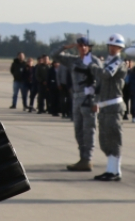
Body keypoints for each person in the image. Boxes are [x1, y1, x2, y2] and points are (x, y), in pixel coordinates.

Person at [54, 37, 98, 171]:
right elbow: (54, 55)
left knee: (89, 130)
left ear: (89, 47)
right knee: (78, 131)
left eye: (85, 46)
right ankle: (82, 158)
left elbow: (101, 82)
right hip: (76, 99)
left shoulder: (94, 61)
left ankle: (88, 159)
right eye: (80, 46)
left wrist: (97, 101)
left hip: (89, 99)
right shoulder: (73, 60)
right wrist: (66, 46)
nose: (83, 48)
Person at [92, 35, 128, 181]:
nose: (112, 48)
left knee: (114, 138)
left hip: (114, 106)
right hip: (104, 106)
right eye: (110, 46)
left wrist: (92, 65)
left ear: (120, 48)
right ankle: (110, 169)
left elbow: (106, 74)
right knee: (105, 139)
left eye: (115, 46)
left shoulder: (118, 62)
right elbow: (100, 84)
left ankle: (115, 171)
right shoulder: (106, 62)